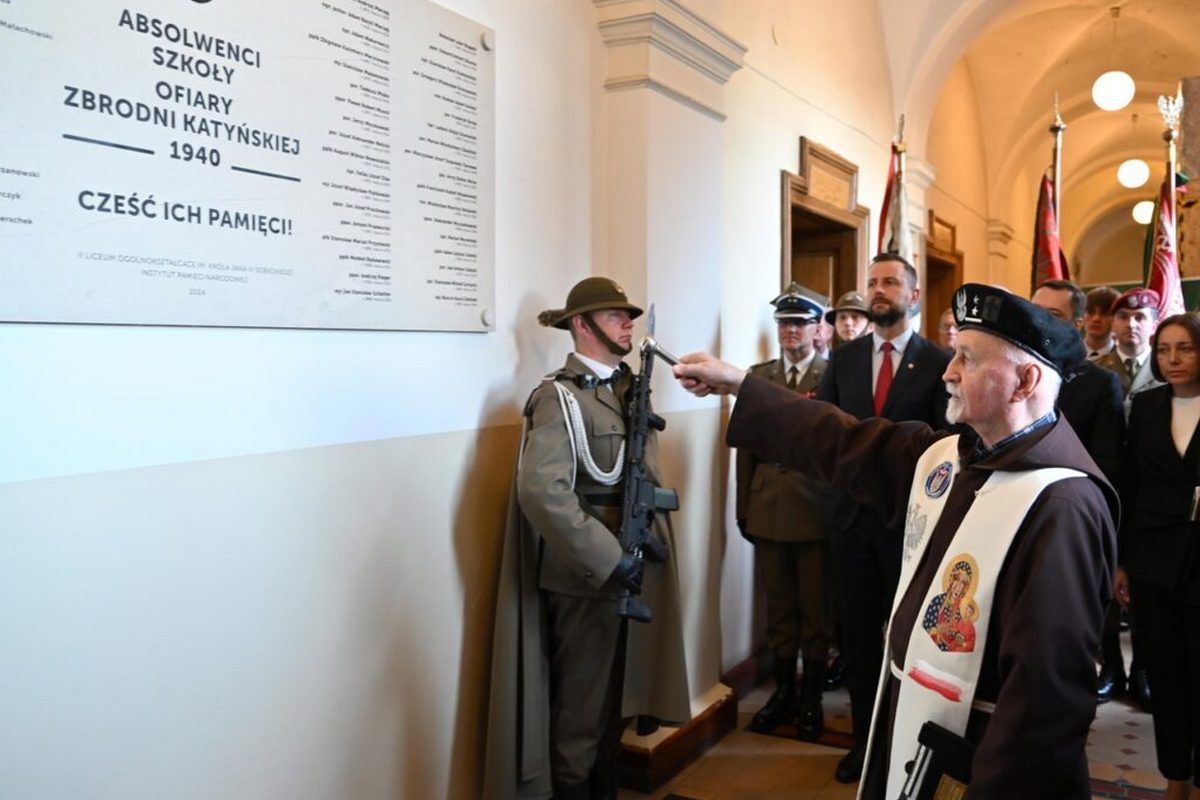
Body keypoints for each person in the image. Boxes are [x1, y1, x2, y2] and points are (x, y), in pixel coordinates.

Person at [673, 283, 1117, 800]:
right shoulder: (954, 458)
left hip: (980, 761)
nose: (949, 372)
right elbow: (844, 440)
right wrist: (740, 384)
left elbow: (1045, 709)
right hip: (914, 724)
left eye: (968, 359)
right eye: (954, 353)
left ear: (1025, 381)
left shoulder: (1061, 506)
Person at [483, 277, 690, 800]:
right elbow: (542, 492)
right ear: (581, 324)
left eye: (628, 315)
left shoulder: (627, 390)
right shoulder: (559, 398)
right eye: (614, 314)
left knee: (616, 710)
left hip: (632, 568)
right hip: (588, 579)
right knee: (580, 719)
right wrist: (609, 559)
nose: (627, 323)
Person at [813, 254, 952, 783]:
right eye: (872, 282)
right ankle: (864, 743)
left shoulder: (938, 361)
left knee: (909, 639)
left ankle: (904, 740)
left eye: (890, 282)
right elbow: (827, 432)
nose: (878, 290)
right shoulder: (844, 358)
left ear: (912, 295)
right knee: (857, 638)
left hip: (909, 523)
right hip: (850, 521)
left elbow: (945, 444)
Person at [736, 284, 833, 738]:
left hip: (816, 509)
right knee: (778, 608)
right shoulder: (758, 377)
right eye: (784, 323)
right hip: (768, 506)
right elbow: (746, 449)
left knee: (815, 610)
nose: (791, 331)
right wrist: (743, 507)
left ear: (818, 329)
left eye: (799, 323)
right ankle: (783, 693)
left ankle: (811, 697)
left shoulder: (831, 376)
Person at [1114, 312, 1200, 800]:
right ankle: (1175, 777)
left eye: (1185, 348)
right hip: (1152, 561)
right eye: (1164, 349)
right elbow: (1130, 485)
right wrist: (1122, 560)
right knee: (1166, 676)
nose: (1173, 359)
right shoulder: (1146, 406)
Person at [1031, 280, 1127, 703]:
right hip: (1018, 514)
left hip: (1072, 517)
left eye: (1052, 315)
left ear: (1077, 323)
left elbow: (1106, 467)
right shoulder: (1016, 370)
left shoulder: (1099, 383)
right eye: (1035, 310)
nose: (1039, 320)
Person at [1097, 287, 1163, 709]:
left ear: (1153, 324)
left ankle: (1142, 668)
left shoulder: (1166, 370)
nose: (1131, 325)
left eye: (1141, 318)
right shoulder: (1095, 370)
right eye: (1124, 317)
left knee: (1144, 582)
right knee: (1104, 578)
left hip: (1148, 493)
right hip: (1107, 490)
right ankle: (1110, 667)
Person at [1084, 286, 1121, 360]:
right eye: (1091, 312)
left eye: (1105, 313)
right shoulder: (1066, 353)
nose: (1096, 318)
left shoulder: (1123, 359)